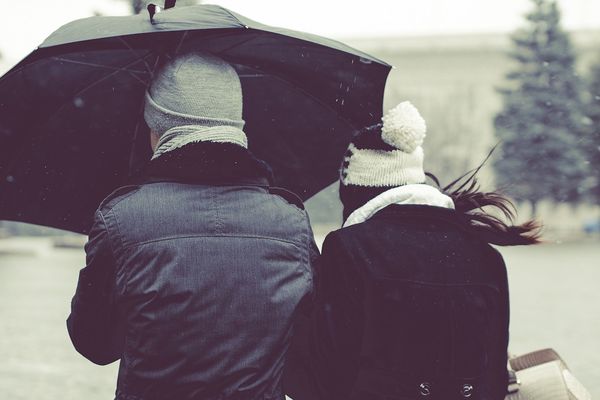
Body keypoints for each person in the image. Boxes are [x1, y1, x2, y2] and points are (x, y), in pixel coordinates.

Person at [67, 52, 318, 400]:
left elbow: (94, 344)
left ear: (157, 129)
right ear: (235, 126)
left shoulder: (121, 218)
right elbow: (309, 349)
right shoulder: (292, 222)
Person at [305, 102, 541, 400]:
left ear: (354, 192)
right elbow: (493, 373)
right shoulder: (485, 254)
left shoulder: (348, 248)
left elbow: (331, 370)